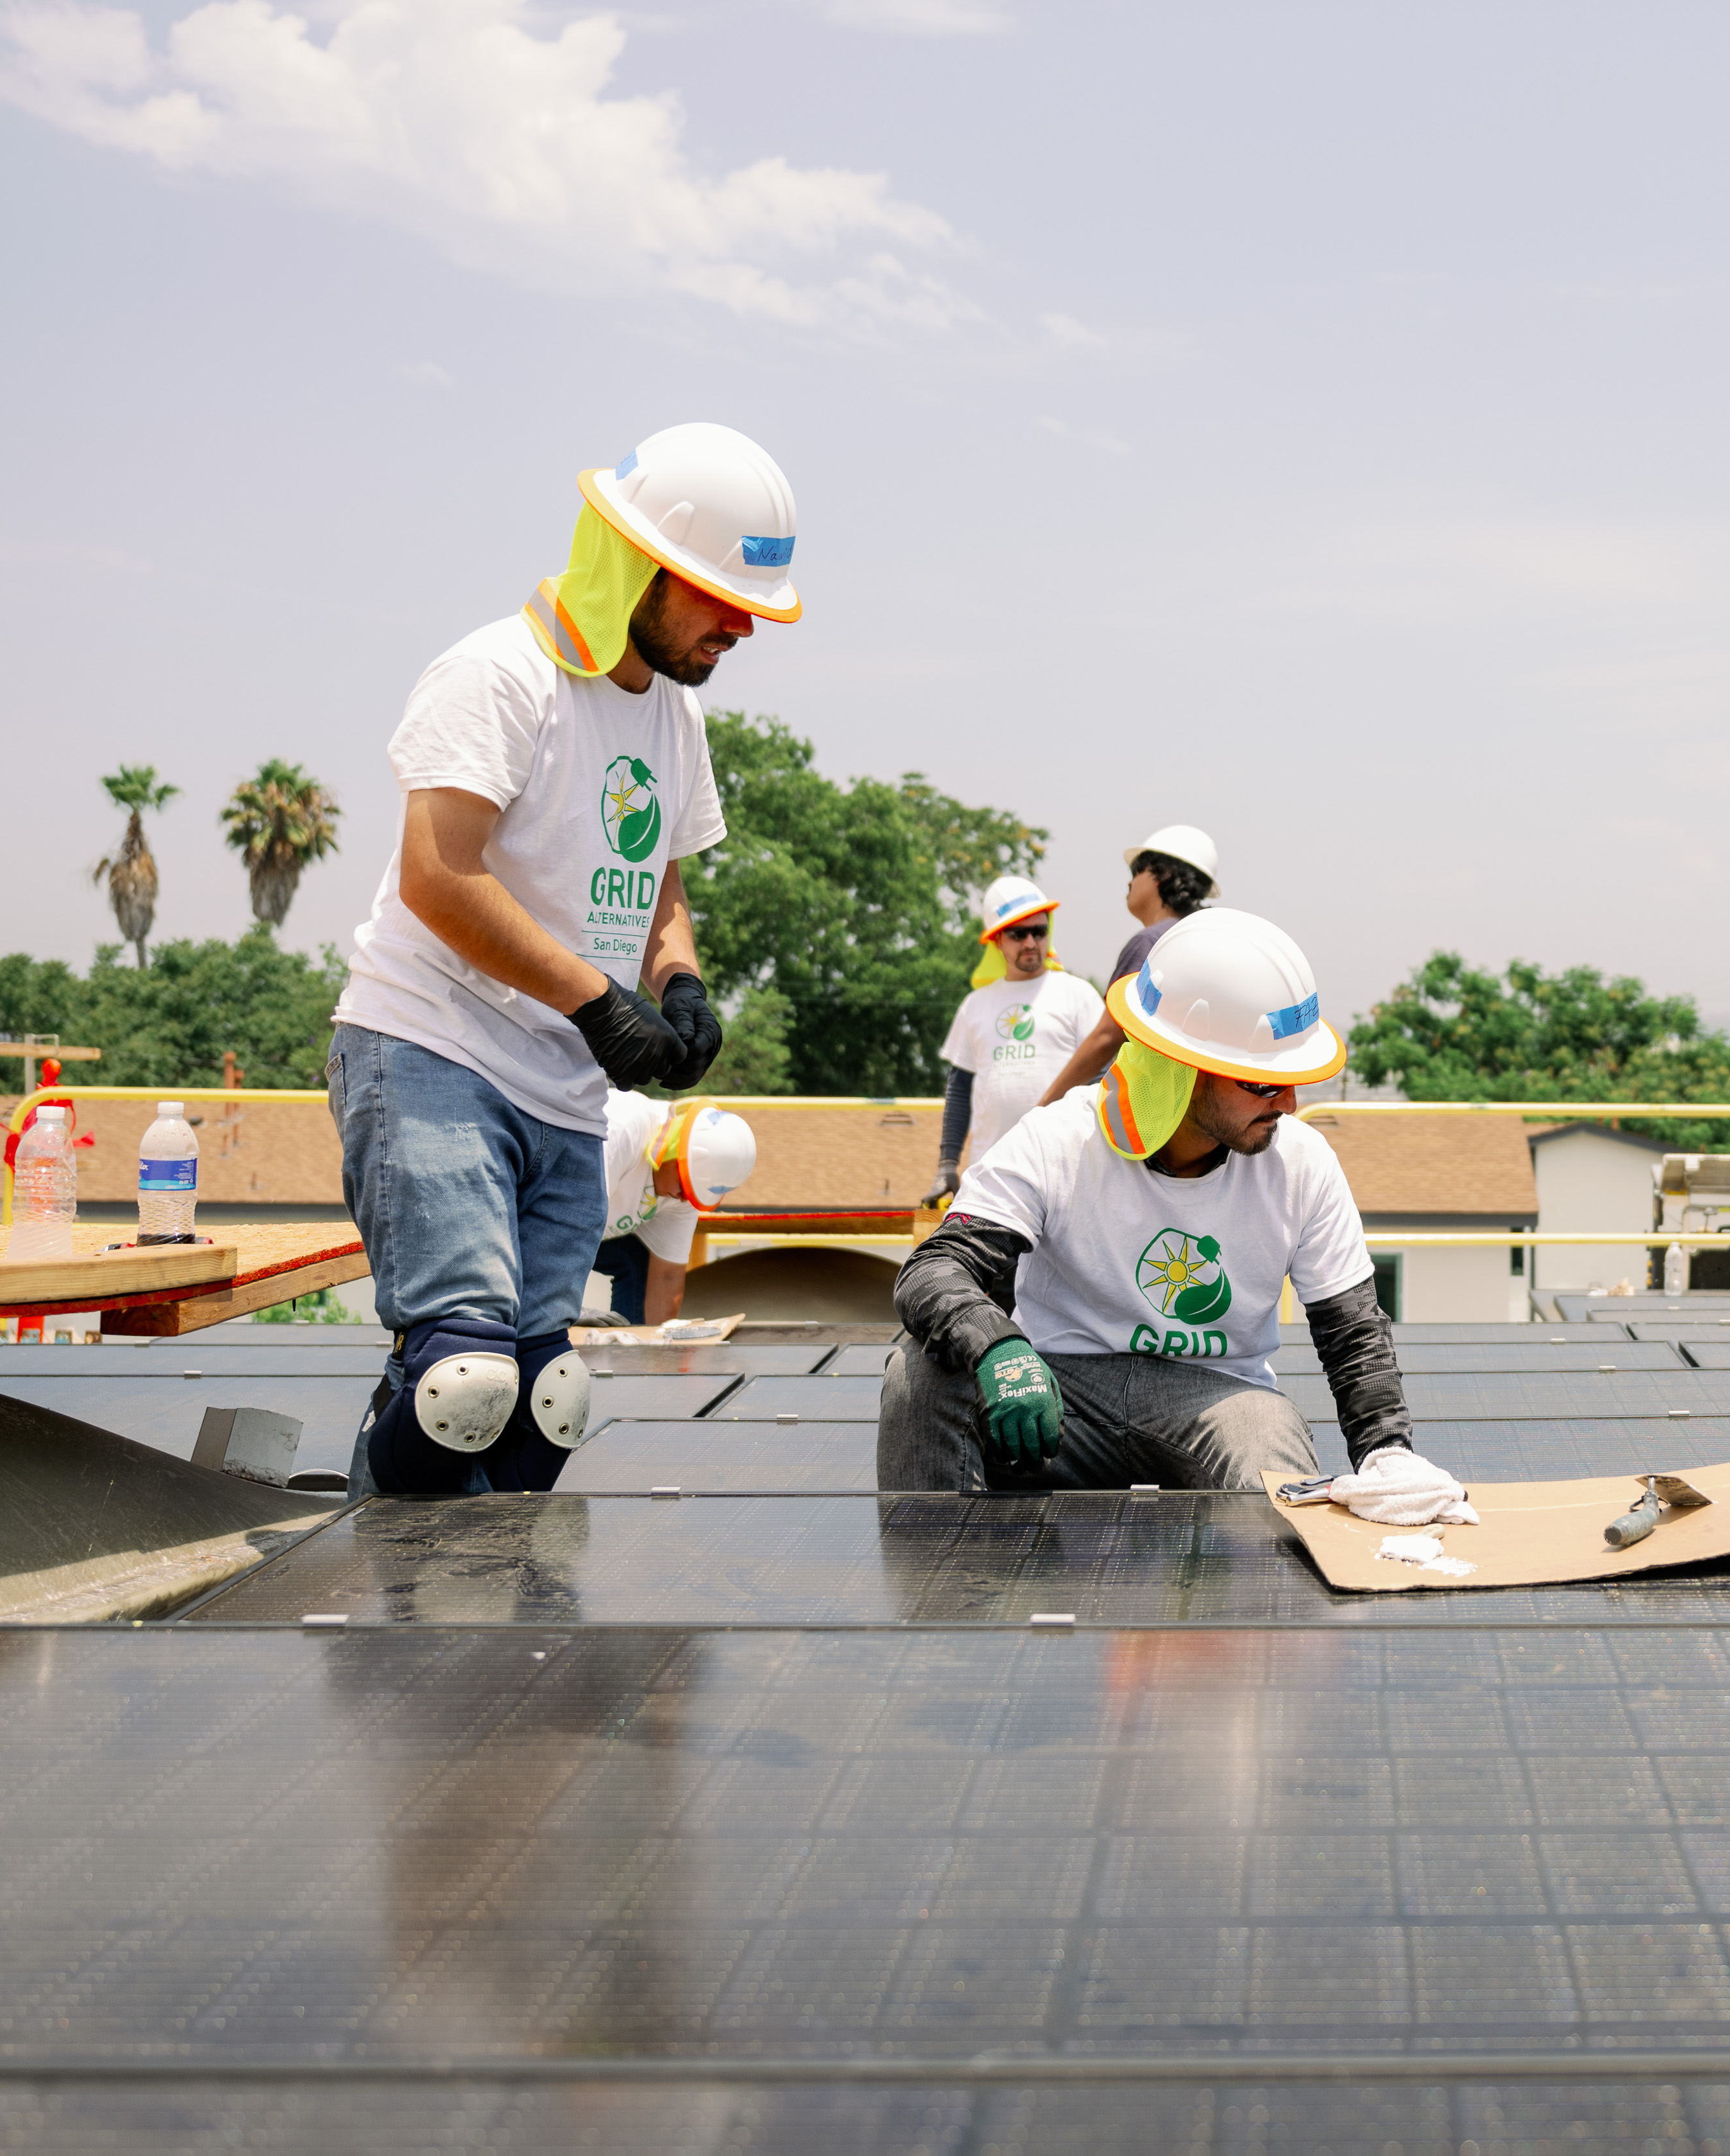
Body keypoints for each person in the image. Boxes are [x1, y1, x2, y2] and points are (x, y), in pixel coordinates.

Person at [328, 422, 800, 1497]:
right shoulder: (500, 674)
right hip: (432, 1048)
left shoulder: (674, 717)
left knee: (546, 1404)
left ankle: (493, 1633)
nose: (740, 628)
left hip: (562, 1085)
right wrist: (598, 999)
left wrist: (678, 982)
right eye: (717, 597)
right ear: (635, 564)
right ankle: (380, 1607)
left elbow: (658, 883)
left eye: (752, 608)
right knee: (463, 1382)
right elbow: (437, 875)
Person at [879, 908, 1464, 1508]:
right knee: (918, 1374)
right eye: (1263, 1082)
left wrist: (1387, 1453)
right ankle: (943, 1592)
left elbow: (1354, 1334)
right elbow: (934, 1269)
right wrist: (1000, 1347)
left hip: (1219, 1402)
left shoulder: (1301, 1164)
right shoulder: (1059, 1141)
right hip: (1060, 1399)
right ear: (1186, 1070)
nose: (1289, 1103)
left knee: (1269, 1453)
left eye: (1292, 1080)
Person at [920, 877, 1106, 1212]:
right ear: (996, 941)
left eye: (1040, 929)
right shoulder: (975, 1005)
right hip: (991, 1176)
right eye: (1018, 934)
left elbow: (1102, 1078)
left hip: (1065, 1174)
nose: (1032, 941)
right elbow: (960, 1089)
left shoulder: (1077, 994)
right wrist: (948, 1162)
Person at [1036, 824, 1218, 1109]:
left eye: (1137, 871)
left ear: (1164, 875)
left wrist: (1045, 1104)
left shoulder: (1152, 943)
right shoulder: (1208, 938)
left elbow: (1109, 1035)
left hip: (1153, 1113)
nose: (1129, 883)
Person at [591, 1097, 759, 1326]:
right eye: (685, 1185)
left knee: (638, 1259)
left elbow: (667, 1276)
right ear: (671, 1153)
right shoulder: (622, 1132)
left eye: (694, 1193)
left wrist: (663, 1353)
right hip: (537, 1220)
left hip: (585, 1232)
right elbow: (569, 1222)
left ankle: (632, 1354)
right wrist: (558, 1315)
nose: (684, 1198)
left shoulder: (686, 1194)